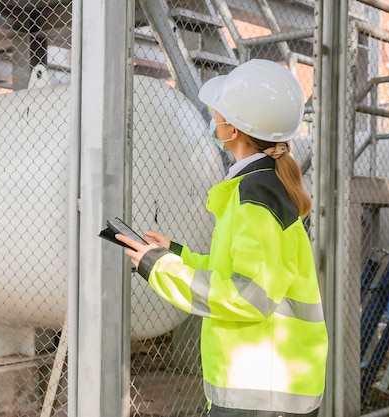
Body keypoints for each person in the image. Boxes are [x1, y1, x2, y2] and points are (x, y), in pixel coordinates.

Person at [116, 59, 328, 417]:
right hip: (269, 387)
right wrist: (175, 255)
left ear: (235, 129)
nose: (214, 118)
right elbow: (235, 272)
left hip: (262, 393)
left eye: (219, 114)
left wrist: (161, 269)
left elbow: (247, 296)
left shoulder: (256, 196)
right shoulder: (258, 189)